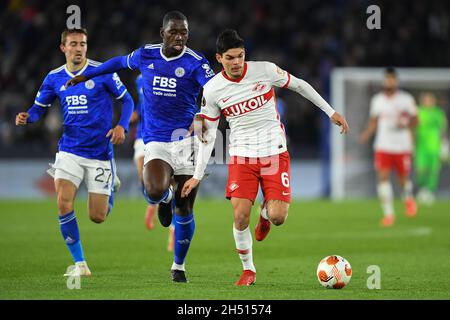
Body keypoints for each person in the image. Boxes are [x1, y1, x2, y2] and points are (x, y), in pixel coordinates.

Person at [181, 29, 349, 286]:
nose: (237, 62)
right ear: (219, 58)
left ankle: (266, 215)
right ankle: (249, 270)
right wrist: (196, 175)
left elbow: (300, 85)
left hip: (274, 152)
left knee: (279, 216)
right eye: (230, 58)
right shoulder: (212, 90)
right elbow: (207, 134)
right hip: (242, 156)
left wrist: (330, 111)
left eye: (240, 56)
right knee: (239, 217)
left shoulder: (265, 70)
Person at [66, 11, 215, 282]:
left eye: (184, 32)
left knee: (185, 208)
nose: (179, 37)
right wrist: (87, 74)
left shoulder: (196, 63)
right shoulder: (147, 54)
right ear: (163, 34)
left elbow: (216, 91)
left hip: (187, 142)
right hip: (156, 139)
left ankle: (178, 266)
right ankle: (164, 200)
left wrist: (204, 116)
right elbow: (118, 63)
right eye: (174, 32)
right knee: (155, 190)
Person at [15, 28, 134, 277]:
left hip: (100, 152)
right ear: (63, 48)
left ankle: (111, 185)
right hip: (69, 149)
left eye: (83, 44)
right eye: (73, 44)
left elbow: (128, 101)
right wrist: (28, 117)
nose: (78, 48)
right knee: (63, 202)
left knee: (97, 217)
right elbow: (39, 107)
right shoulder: (54, 77)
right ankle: (80, 264)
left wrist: (121, 125)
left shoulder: (102, 72)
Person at [359, 67, 418, 226]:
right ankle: (389, 214)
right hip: (383, 145)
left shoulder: (406, 99)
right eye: (387, 79)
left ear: (396, 81)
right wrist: (366, 134)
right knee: (383, 178)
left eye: (392, 79)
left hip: (402, 145)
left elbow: (416, 120)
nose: (389, 82)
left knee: (403, 179)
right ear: (385, 81)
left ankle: (408, 198)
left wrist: (405, 123)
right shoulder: (377, 100)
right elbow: (374, 121)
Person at [132, 74, 175, 251]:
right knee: (144, 178)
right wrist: (134, 114)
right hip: (142, 136)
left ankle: (173, 228)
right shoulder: (140, 79)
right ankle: (152, 203)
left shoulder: (170, 77)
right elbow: (142, 103)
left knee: (170, 183)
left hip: (165, 136)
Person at [415, 92, 448, 205]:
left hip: (434, 147)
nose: (427, 102)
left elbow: (443, 129)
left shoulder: (438, 113)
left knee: (433, 170)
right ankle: (422, 189)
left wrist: (444, 144)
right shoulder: (418, 112)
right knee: (421, 169)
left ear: (433, 101)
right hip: (421, 147)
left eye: (430, 100)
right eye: (425, 100)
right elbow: (413, 128)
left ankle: (429, 191)